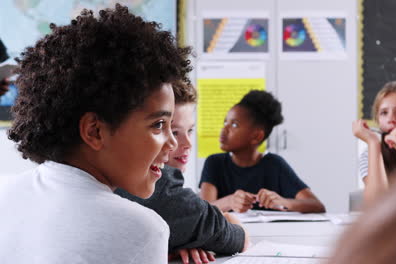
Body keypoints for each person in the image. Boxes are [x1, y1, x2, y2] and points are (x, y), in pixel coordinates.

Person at [0, 4, 191, 263]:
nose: (172, 142)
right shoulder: (141, 228)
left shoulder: (6, 192)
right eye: (158, 124)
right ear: (95, 131)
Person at [115, 80, 248, 264]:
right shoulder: (160, 188)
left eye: (190, 130)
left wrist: (187, 236)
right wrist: (228, 218)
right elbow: (241, 239)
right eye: (174, 131)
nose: (187, 144)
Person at [199, 90, 325, 213]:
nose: (224, 129)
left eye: (234, 125)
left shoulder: (275, 164)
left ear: (256, 137)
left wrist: (284, 202)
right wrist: (229, 202)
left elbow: (316, 205)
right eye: (225, 122)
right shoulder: (215, 163)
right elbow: (203, 210)